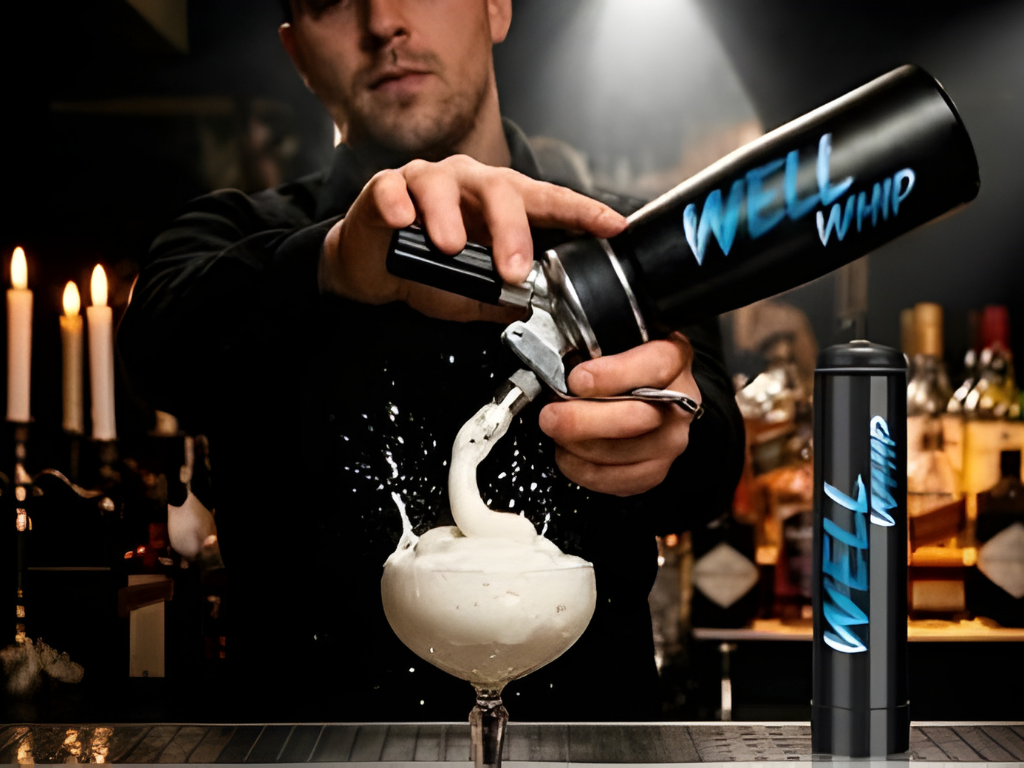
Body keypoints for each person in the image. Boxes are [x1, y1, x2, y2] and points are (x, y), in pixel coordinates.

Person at [118, 0, 745, 722]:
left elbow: (709, 468)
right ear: (297, 54)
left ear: (496, 7)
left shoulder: (623, 246)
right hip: (302, 751)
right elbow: (159, 349)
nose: (383, 21)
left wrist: (670, 427)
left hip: (587, 750)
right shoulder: (237, 235)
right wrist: (333, 263)